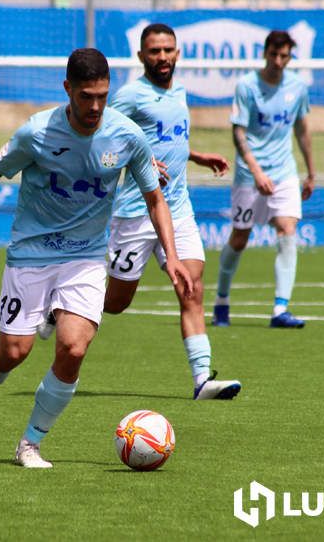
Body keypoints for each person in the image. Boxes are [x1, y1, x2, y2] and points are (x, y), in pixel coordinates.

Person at [0, 48, 193, 468]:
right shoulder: (36, 133)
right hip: (31, 254)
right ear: (68, 90)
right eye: (86, 96)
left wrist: (175, 256)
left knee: (74, 349)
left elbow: (155, 199)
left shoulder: (128, 135)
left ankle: (30, 443)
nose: (95, 106)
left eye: (102, 96)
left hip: (88, 257)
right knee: (13, 352)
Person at [99, 23, 241, 400]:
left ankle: (202, 380)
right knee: (117, 303)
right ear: (141, 56)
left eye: (168, 50)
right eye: (154, 51)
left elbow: (168, 137)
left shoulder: (179, 91)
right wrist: (137, 160)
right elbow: (102, 139)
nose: (162, 57)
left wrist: (196, 155)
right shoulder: (130, 96)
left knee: (191, 289)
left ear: (177, 53)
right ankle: (59, 307)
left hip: (177, 209)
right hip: (136, 213)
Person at [212, 30, 315, 329]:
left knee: (287, 228)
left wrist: (311, 172)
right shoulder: (246, 86)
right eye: (274, 55)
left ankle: (280, 309)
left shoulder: (297, 87)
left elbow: (302, 130)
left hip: (284, 172)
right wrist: (256, 172)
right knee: (240, 237)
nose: (279, 61)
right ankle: (221, 300)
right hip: (249, 174)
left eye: (285, 56)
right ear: (265, 53)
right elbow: (238, 133)